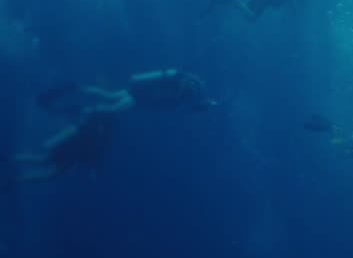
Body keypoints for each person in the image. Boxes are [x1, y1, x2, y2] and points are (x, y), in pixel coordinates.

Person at [37, 69, 212, 117]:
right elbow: (165, 103)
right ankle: (76, 109)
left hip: (136, 90)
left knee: (107, 95)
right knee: (110, 109)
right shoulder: (181, 93)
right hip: (139, 98)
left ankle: (76, 87)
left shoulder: (177, 78)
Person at [8, 110, 118, 183]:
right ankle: (16, 179)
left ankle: (10, 162)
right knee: (48, 171)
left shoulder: (92, 125)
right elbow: (97, 155)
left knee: (42, 161)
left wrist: (52, 143)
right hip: (71, 154)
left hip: (67, 150)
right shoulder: (102, 135)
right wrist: (94, 170)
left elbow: (72, 131)